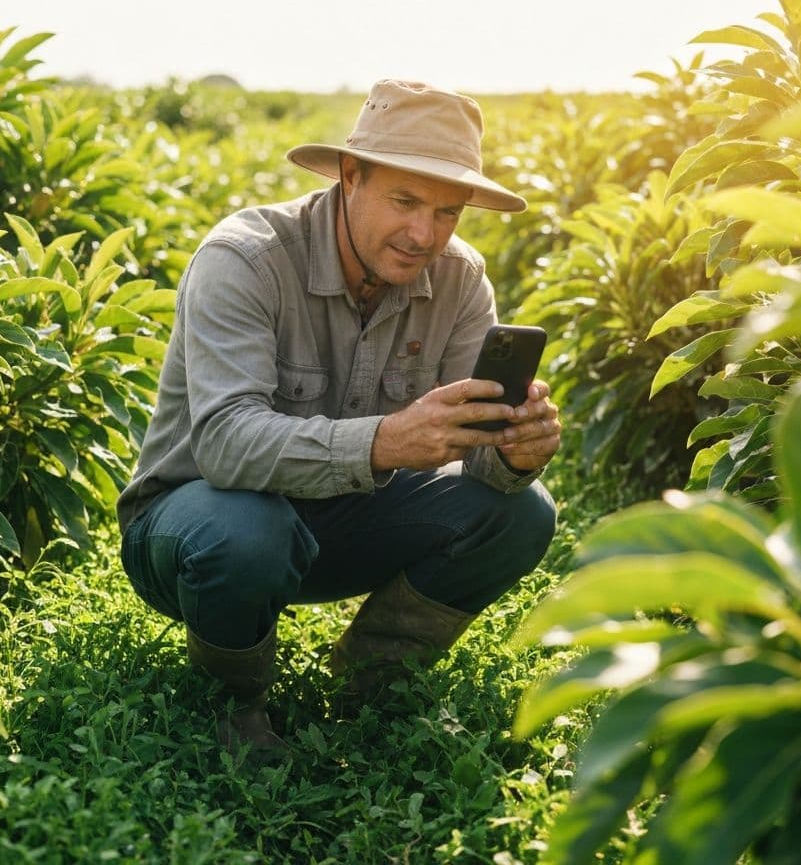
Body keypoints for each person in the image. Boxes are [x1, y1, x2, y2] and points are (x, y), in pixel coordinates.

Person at [116, 79, 562, 753]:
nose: (424, 234)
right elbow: (224, 447)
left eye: (447, 212)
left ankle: (373, 684)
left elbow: (476, 450)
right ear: (351, 176)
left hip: (335, 527)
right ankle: (232, 703)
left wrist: (512, 455)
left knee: (525, 511)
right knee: (246, 529)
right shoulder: (245, 259)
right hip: (194, 530)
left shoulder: (461, 281)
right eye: (405, 201)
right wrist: (387, 441)